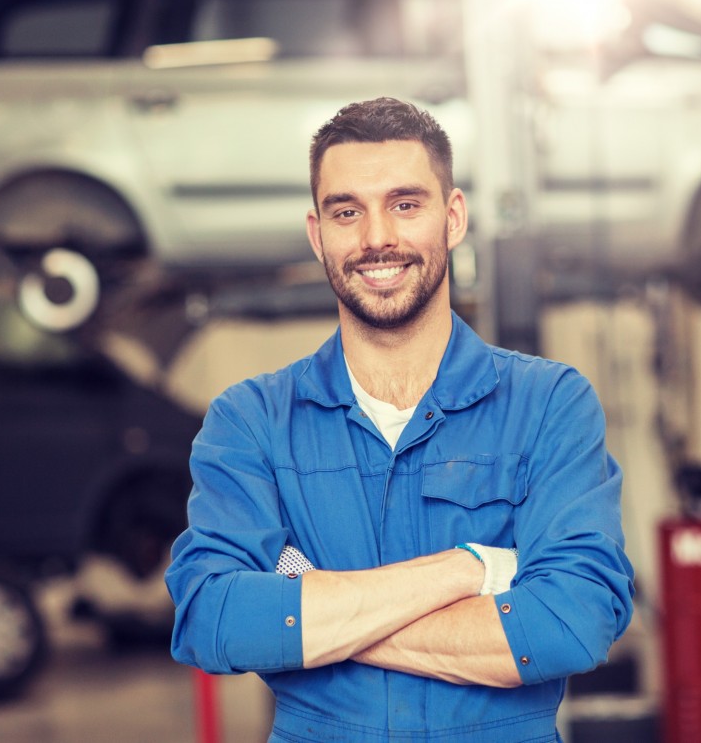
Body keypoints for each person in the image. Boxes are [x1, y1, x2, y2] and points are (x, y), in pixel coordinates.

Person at [166, 97, 634, 742]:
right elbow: (214, 620)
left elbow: (571, 624)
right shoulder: (251, 422)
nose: (376, 238)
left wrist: (315, 608)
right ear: (316, 233)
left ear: (454, 216)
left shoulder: (548, 404)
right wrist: (469, 570)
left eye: (405, 204)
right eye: (347, 212)